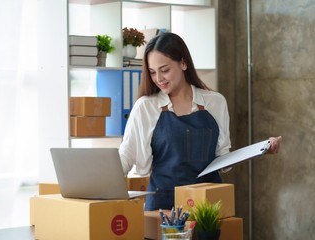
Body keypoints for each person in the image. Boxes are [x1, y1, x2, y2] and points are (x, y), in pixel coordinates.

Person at [118, 32, 281, 211]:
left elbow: (222, 158)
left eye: (164, 70)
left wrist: (260, 150)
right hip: (163, 207)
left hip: (207, 205)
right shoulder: (145, 107)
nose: (158, 78)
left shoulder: (215, 102)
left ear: (183, 63)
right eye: (152, 72)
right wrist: (100, 183)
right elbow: (126, 156)